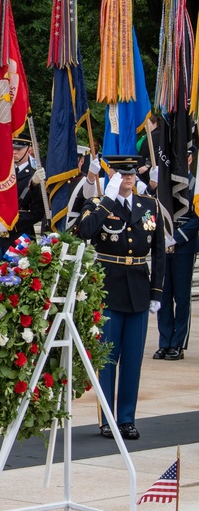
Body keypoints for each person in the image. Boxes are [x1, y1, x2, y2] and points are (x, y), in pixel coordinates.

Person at [78, 156, 165, 441]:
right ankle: (107, 418)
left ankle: (127, 418)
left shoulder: (149, 205)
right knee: (107, 358)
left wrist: (156, 292)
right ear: (112, 176)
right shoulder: (99, 205)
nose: (127, 177)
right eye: (121, 173)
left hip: (138, 288)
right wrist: (108, 201)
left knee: (132, 359)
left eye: (131, 173)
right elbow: (84, 233)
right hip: (108, 289)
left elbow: (160, 251)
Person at [155, 146, 199, 361]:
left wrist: (177, 237)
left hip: (184, 245)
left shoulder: (194, 184)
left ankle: (178, 344)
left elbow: (197, 219)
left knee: (181, 298)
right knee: (163, 295)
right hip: (163, 244)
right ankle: (164, 342)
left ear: (189, 159)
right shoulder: (163, 182)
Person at [0, 129, 46, 266]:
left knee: (17, 280)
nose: (14, 152)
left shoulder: (35, 175)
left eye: (19, 149)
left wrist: (10, 224)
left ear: (29, 150)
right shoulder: (3, 173)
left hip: (21, 236)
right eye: (12, 148)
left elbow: (38, 212)